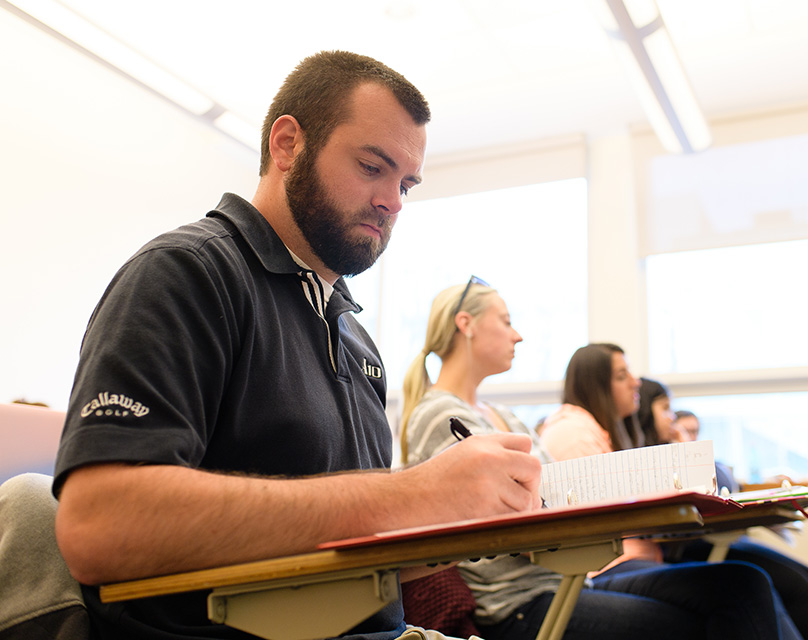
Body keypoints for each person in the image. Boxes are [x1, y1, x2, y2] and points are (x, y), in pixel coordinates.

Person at [52, 51, 543, 640]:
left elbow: (353, 553)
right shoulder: (188, 274)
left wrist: (470, 518)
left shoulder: (354, 338)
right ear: (287, 145)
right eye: (371, 167)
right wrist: (407, 494)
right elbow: (99, 524)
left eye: (406, 184)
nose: (393, 202)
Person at [400, 284, 804, 640]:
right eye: (506, 321)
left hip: (568, 584)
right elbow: (509, 518)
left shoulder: (504, 415)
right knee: (721, 609)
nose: (518, 335)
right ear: (466, 324)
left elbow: (551, 495)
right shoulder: (440, 416)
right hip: (522, 604)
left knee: (744, 583)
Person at [544, 356, 808, 640]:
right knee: (755, 585)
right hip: (615, 563)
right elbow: (602, 519)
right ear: (597, 383)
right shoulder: (577, 433)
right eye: (622, 375)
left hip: (640, 554)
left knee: (795, 582)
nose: (634, 382)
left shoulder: (608, 435)